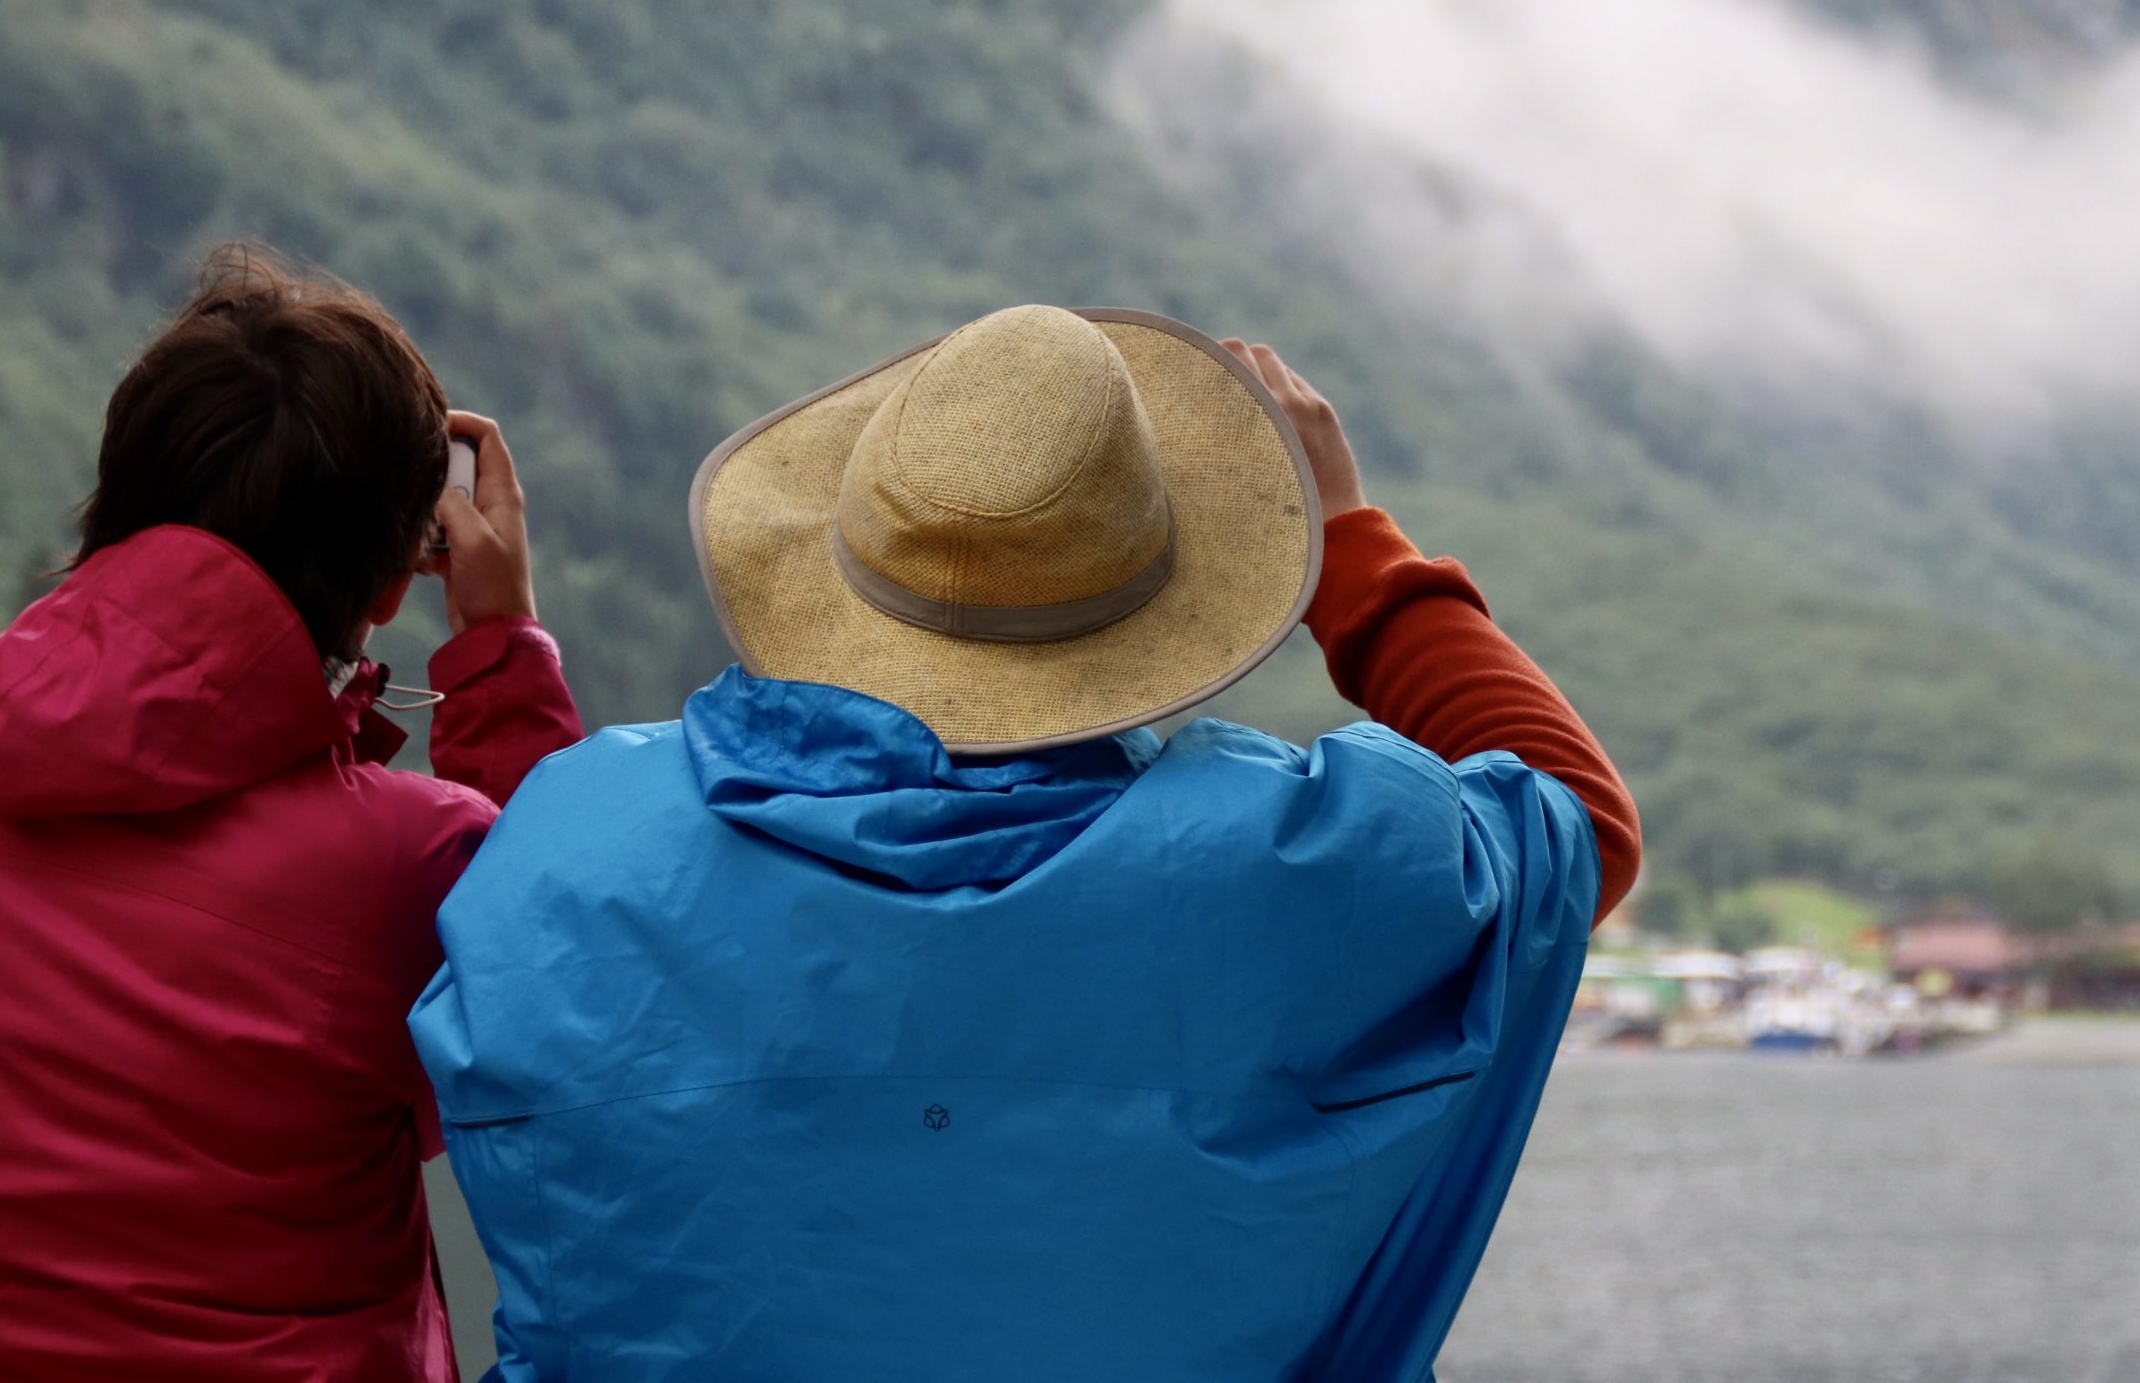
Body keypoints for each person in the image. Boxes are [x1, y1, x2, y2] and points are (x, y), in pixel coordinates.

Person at [415, 305, 1640, 1380]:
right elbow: (1576, 817)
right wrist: (1352, 544)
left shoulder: (565, 845)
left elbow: (574, 899)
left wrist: (495, 653)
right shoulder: (1306, 868)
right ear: (1161, 605)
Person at [0, 246, 584, 1382]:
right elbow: (589, 1034)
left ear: (116, 492)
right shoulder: (413, 863)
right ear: (396, 578)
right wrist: (499, 650)